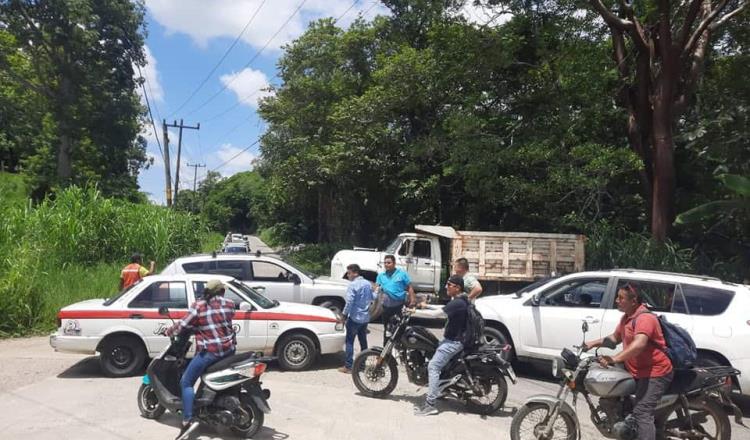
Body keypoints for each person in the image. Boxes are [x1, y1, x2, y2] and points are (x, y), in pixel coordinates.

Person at [584, 283, 673, 440]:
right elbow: (614, 338)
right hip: (638, 369)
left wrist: (614, 358)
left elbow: (639, 344)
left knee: (642, 412)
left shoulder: (645, 318)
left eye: (621, 298)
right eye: (617, 297)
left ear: (634, 301)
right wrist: (592, 343)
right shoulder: (627, 318)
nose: (617, 300)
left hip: (655, 372)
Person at [165, 279, 236, 440]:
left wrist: (169, 331)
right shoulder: (230, 304)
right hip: (229, 350)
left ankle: (188, 419)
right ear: (222, 292)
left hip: (211, 352)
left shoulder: (199, 305)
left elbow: (182, 325)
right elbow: (222, 320)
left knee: (186, 382)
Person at [414, 275, 469, 416]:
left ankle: (430, 404)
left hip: (453, 342)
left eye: (449, 284)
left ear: (457, 287)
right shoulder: (460, 300)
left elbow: (437, 314)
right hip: (452, 340)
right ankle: (439, 389)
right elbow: (444, 308)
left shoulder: (458, 303)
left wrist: (413, 311)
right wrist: (427, 306)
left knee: (433, 367)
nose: (446, 287)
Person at [339, 264, 377, 374]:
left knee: (350, 341)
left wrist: (344, 315)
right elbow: (372, 298)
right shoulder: (367, 283)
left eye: (348, 273)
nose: (348, 276)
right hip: (365, 318)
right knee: (363, 341)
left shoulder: (353, 285)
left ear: (354, 273)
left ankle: (349, 366)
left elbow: (349, 302)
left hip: (355, 317)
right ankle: (363, 364)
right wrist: (377, 291)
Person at [375, 254, 416, 345]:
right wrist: (376, 291)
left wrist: (412, 300)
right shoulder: (381, 276)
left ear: (394, 263)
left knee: (400, 328)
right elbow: (376, 288)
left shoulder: (402, 274)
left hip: (399, 307)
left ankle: (401, 348)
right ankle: (385, 352)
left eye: (389, 263)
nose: (386, 265)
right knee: (387, 330)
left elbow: (409, 287)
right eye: (385, 263)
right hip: (386, 308)